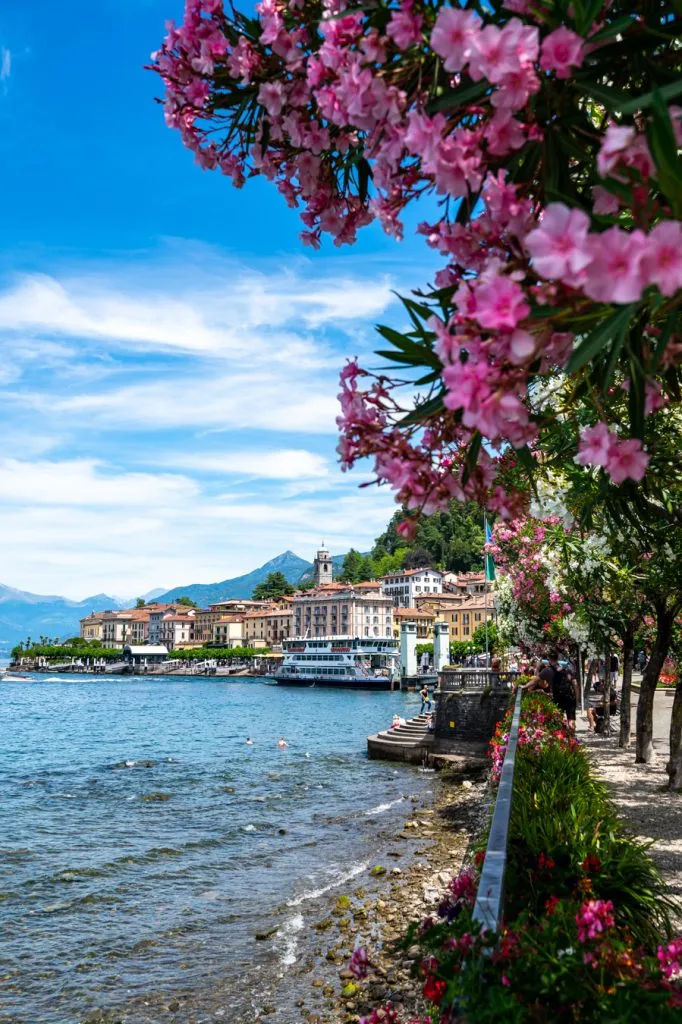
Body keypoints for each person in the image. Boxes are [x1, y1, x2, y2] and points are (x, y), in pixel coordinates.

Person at [541, 650, 579, 731]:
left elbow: (536, 680)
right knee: (571, 720)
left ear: (549, 659)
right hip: (570, 697)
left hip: (558, 697)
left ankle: (563, 738)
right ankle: (572, 739)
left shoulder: (548, 670)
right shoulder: (568, 669)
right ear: (558, 658)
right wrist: (577, 698)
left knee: (559, 719)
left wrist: (524, 686)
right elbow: (575, 684)